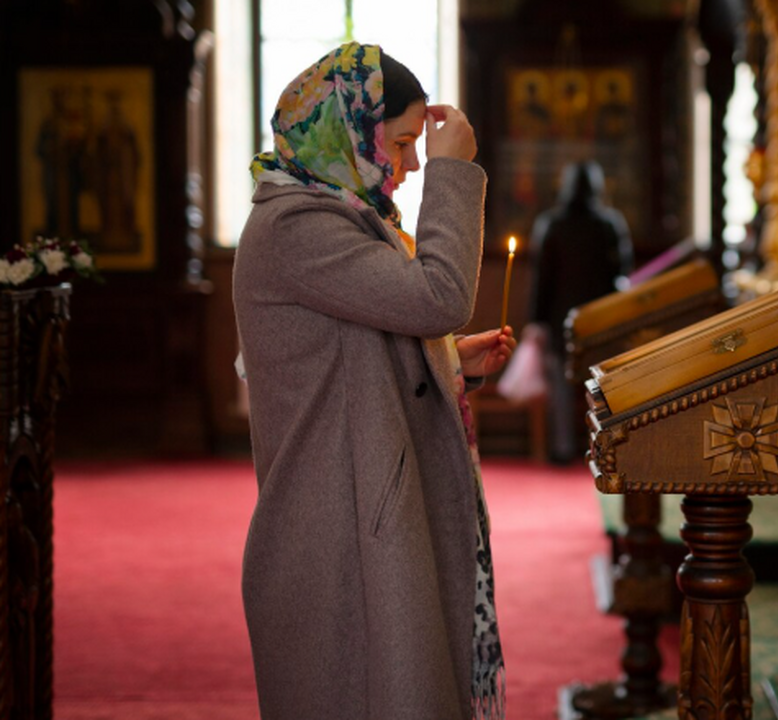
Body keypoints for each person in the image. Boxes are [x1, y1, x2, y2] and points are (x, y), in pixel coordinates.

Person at [232, 43, 515, 720]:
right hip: (337, 532)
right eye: (403, 144)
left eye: (419, 148)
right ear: (348, 131)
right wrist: (455, 170)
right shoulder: (296, 225)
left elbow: (357, 347)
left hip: (363, 508)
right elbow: (440, 296)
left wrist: (450, 360)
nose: (413, 165)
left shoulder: (339, 211)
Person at [527, 161, 633, 463]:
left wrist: (537, 320)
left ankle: (562, 449)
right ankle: (606, 448)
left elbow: (542, 277)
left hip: (561, 317)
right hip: (601, 318)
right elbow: (621, 272)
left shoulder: (552, 224)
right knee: (603, 384)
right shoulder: (609, 224)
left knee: (561, 385)